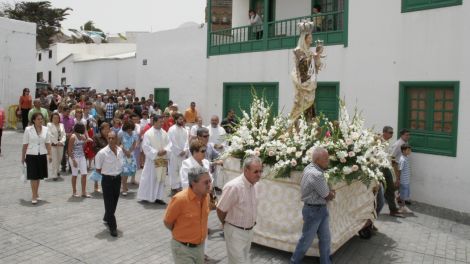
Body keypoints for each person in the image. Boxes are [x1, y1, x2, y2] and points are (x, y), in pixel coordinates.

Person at [291, 147, 335, 264]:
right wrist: (333, 193)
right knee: (306, 240)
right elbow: (327, 195)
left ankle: (325, 262)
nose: (328, 161)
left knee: (325, 239)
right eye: (325, 159)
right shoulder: (316, 174)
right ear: (317, 160)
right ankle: (294, 261)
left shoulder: (309, 167)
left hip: (318, 209)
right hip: (314, 211)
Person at [217, 156, 263, 264]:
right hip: (235, 232)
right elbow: (220, 209)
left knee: (242, 260)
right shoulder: (234, 187)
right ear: (245, 170)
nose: (259, 175)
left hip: (249, 231)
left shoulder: (255, 185)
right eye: (256, 171)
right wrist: (225, 223)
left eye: (261, 171)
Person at [164, 167, 212, 264]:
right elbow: (167, 221)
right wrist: (181, 232)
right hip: (183, 249)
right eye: (205, 182)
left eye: (209, 181)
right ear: (194, 183)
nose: (209, 185)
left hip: (200, 247)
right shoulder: (179, 199)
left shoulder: (206, 197)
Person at [290, 21, 324, 121]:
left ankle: (309, 125)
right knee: (301, 103)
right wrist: (314, 56)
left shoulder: (310, 52)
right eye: (309, 38)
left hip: (309, 82)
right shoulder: (298, 50)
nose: (311, 40)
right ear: (304, 39)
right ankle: (296, 125)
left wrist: (317, 55)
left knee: (310, 104)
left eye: (311, 38)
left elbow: (316, 68)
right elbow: (303, 63)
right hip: (301, 81)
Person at [95, 131, 124, 237]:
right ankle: (113, 227)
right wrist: (97, 183)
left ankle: (106, 217)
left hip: (117, 179)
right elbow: (97, 168)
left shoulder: (120, 150)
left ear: (116, 139)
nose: (111, 140)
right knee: (109, 204)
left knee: (114, 203)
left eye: (113, 138)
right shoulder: (102, 153)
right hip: (107, 180)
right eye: (109, 138)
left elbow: (121, 163)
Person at [137, 115, 170, 204]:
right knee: (149, 178)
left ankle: (158, 197)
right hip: (152, 160)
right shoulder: (148, 133)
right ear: (154, 122)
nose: (162, 123)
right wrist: (156, 152)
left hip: (162, 159)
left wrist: (165, 150)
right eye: (160, 122)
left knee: (160, 178)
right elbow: (145, 146)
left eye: (162, 122)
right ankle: (145, 196)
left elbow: (169, 144)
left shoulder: (164, 133)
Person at [21, 113, 52, 204]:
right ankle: (34, 196)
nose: (40, 121)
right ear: (34, 120)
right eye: (38, 119)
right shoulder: (28, 129)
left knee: (38, 176)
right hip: (31, 155)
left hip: (42, 154)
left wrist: (50, 155)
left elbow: (48, 143)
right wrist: (23, 157)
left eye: (41, 119)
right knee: (33, 176)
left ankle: (36, 193)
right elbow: (25, 144)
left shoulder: (46, 129)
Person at [377, 126, 403, 217]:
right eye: (390, 132)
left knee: (391, 188)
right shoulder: (378, 141)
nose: (392, 134)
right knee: (379, 190)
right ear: (384, 132)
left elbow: (388, 155)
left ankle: (393, 209)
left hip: (387, 167)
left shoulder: (387, 142)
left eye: (392, 133)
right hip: (379, 168)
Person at [68, 123, 91, 198]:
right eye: (83, 128)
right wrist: (73, 160)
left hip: (82, 157)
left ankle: (83, 192)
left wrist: (85, 141)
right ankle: (74, 191)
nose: (85, 130)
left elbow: (82, 147)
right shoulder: (73, 137)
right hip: (74, 157)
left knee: (84, 174)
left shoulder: (82, 136)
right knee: (74, 174)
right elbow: (69, 150)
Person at [168, 113, 189, 195]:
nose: (181, 121)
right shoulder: (171, 129)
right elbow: (171, 142)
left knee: (182, 170)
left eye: (182, 119)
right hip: (174, 154)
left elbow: (187, 142)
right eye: (180, 119)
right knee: (174, 170)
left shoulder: (185, 130)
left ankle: (181, 186)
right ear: (176, 120)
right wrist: (179, 151)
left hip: (183, 154)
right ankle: (174, 187)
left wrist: (185, 150)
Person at [197, 127, 223, 191]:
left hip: (209, 174)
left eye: (208, 135)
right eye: (205, 136)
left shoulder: (209, 146)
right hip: (199, 176)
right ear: (199, 137)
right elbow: (200, 163)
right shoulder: (195, 148)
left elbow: (217, 155)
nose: (207, 138)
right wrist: (215, 163)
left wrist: (226, 156)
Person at [118, 121, 137, 196]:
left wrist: (130, 151)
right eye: (128, 129)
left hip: (131, 155)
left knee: (129, 171)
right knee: (124, 173)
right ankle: (124, 188)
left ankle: (124, 186)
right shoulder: (122, 134)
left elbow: (134, 144)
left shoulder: (134, 134)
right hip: (123, 154)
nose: (129, 130)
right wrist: (125, 151)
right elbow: (119, 144)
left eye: (131, 129)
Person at [92, 122, 111, 192]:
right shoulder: (96, 137)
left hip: (109, 158)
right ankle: (96, 185)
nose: (107, 130)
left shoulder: (110, 136)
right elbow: (94, 148)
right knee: (98, 171)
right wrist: (104, 151)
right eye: (105, 129)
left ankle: (106, 186)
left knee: (107, 173)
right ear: (101, 130)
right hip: (99, 158)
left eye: (108, 129)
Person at [47, 112, 66, 180]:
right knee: (54, 159)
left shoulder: (61, 125)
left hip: (61, 145)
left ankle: (57, 170)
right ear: (51, 118)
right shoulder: (49, 125)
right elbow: (49, 134)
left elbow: (64, 134)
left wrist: (61, 142)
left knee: (59, 159)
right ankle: (54, 174)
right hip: (53, 145)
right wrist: (56, 142)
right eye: (54, 118)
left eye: (57, 118)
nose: (56, 119)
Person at [61, 106, 75, 172]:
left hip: (70, 138)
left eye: (69, 111)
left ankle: (70, 166)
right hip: (62, 138)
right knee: (63, 153)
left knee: (70, 152)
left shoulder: (72, 119)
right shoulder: (60, 119)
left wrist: (71, 133)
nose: (68, 113)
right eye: (66, 111)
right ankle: (63, 166)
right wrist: (64, 134)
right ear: (63, 112)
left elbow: (73, 128)